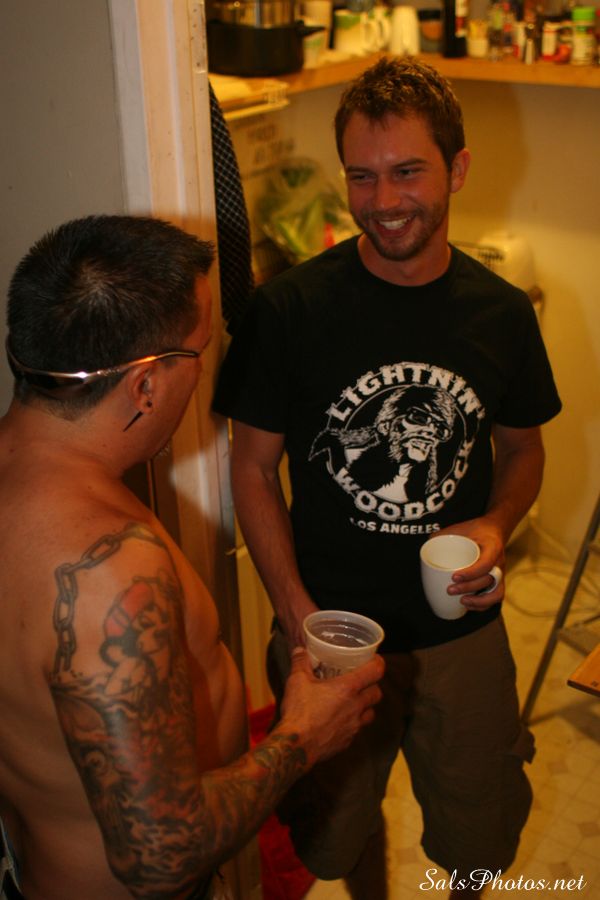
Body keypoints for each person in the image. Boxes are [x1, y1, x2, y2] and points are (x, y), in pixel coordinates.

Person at [213, 57, 562, 899]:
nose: (383, 200)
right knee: (334, 835)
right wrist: (296, 614)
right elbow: (252, 469)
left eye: (408, 171)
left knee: (480, 833)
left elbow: (523, 451)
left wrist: (495, 526)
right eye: (361, 176)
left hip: (459, 632)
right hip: (331, 629)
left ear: (457, 169)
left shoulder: (502, 313)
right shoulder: (288, 311)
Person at [0, 214, 384, 900]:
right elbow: (159, 855)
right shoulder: (106, 567)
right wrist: (303, 735)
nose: (204, 372)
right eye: (200, 352)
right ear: (145, 384)